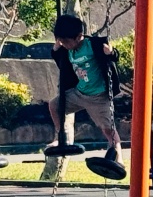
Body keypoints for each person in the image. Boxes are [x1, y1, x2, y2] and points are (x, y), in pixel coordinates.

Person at [43, 15, 122, 179]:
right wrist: (56, 50)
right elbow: (62, 65)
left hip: (99, 97)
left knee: (108, 129)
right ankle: (61, 137)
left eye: (66, 41)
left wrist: (111, 52)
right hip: (79, 93)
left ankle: (118, 159)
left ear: (79, 36)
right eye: (61, 41)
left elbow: (113, 57)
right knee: (54, 105)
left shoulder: (93, 45)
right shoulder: (66, 50)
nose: (64, 44)